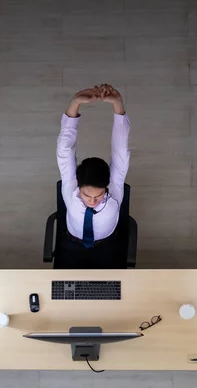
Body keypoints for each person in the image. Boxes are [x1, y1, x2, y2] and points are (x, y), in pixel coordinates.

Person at [55, 84, 130, 269]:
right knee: (62, 293)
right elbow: (65, 149)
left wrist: (117, 104)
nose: (93, 201)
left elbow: (121, 148)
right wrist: (76, 103)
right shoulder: (71, 185)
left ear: (106, 188)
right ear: (79, 186)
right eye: (87, 196)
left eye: (98, 196)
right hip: (71, 246)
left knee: (114, 294)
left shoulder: (114, 188)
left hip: (109, 247)